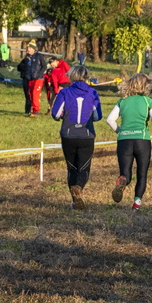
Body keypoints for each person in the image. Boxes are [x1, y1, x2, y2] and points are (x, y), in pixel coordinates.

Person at [105, 72, 152, 210]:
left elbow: (110, 120)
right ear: (146, 86)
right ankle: (136, 204)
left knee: (125, 174)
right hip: (142, 140)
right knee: (142, 174)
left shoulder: (123, 101)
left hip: (124, 141)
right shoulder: (149, 102)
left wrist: (120, 131)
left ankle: (123, 181)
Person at [49, 64, 103, 209]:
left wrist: (63, 116)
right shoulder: (92, 93)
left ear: (71, 76)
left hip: (68, 135)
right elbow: (98, 116)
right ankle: (79, 187)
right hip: (86, 135)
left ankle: (74, 202)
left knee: (72, 168)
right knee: (84, 168)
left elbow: (55, 114)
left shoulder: (64, 92)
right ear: (86, 77)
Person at [17, 43, 47, 115]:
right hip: (29, 78)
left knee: (35, 94)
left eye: (30, 48)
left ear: (33, 49)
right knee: (30, 95)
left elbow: (44, 66)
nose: (28, 49)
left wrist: (39, 74)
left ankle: (36, 111)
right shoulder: (27, 58)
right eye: (27, 48)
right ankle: (30, 110)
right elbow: (19, 67)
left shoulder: (39, 56)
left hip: (37, 78)